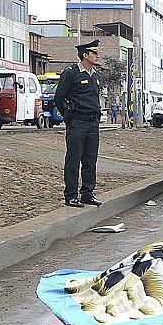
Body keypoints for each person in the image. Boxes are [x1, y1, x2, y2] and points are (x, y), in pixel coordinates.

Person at [55, 39, 103, 207]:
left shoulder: (95, 75)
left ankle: (87, 193)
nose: (97, 55)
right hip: (77, 123)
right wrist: (68, 118)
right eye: (94, 53)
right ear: (85, 55)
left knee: (90, 159)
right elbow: (59, 98)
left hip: (92, 124)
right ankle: (71, 195)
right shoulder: (71, 73)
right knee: (73, 159)